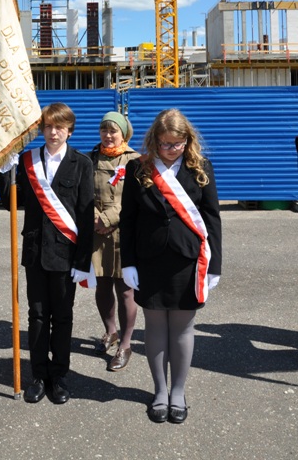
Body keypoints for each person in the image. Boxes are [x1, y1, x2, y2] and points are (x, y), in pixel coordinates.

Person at [120, 108, 222, 424]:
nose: (169, 149)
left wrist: (215, 265)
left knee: (182, 327)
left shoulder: (200, 168)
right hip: (149, 260)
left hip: (187, 260)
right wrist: (128, 263)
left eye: (176, 144)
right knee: (154, 327)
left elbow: (212, 218)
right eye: (164, 143)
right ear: (154, 140)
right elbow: (128, 219)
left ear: (187, 141)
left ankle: (178, 391)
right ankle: (160, 391)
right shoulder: (138, 168)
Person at [0, 102, 94, 405]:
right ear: (42, 129)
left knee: (63, 317)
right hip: (36, 252)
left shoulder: (82, 163)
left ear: (69, 130)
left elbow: (85, 214)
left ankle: (60, 375)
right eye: (49, 126)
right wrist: (5, 170)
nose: (53, 132)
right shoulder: (27, 161)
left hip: (66, 255)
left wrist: (83, 261)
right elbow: (9, 202)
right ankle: (38, 375)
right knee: (37, 316)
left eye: (59, 127)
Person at [89, 111, 139, 371]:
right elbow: (82, 192)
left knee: (125, 290)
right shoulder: (89, 158)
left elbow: (135, 198)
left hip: (124, 232)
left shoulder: (135, 161)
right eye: (104, 130)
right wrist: (93, 218)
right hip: (96, 232)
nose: (108, 135)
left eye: (113, 131)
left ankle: (126, 345)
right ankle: (111, 332)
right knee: (102, 285)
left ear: (124, 133)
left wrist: (107, 218)